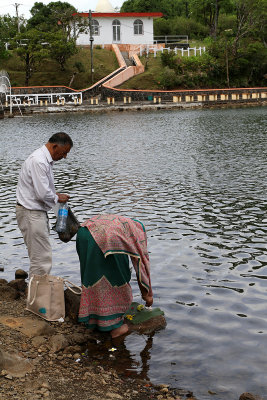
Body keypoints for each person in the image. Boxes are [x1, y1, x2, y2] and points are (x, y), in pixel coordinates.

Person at [76, 214, 153, 338]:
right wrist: (147, 295)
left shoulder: (125, 224)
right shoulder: (136, 235)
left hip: (83, 232)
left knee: (92, 274)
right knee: (117, 277)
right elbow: (141, 265)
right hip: (107, 237)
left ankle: (93, 320)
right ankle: (116, 327)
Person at [16, 132, 73, 277]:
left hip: (33, 212)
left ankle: (36, 294)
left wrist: (55, 196)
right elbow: (42, 194)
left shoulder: (43, 160)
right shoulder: (39, 161)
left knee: (40, 256)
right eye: (64, 152)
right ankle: (38, 298)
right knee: (41, 259)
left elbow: (42, 190)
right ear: (54, 146)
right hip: (31, 213)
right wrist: (57, 198)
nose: (65, 156)